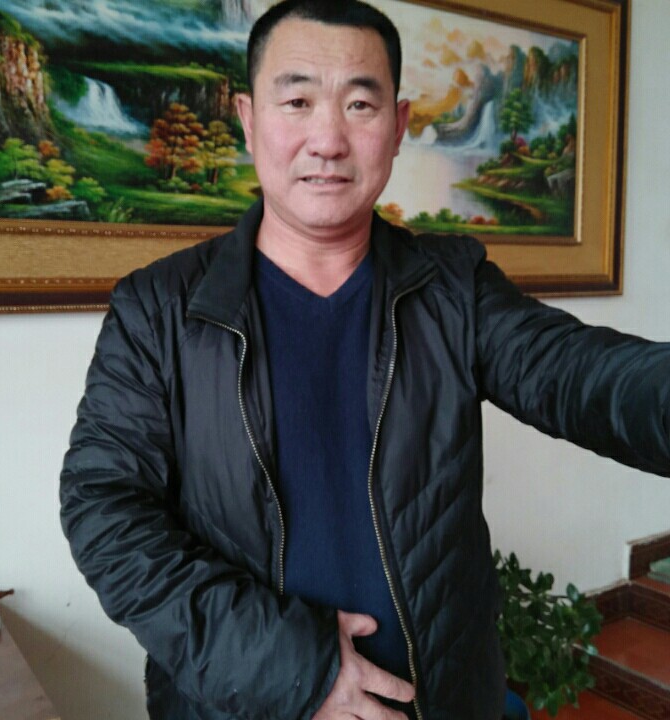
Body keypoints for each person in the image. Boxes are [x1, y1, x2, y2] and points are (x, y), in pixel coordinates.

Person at [59, 1, 670, 719]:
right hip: (240, 703)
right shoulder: (159, 310)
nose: (328, 140)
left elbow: (583, 376)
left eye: (359, 104)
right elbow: (105, 510)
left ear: (399, 126)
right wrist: (293, 670)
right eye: (297, 102)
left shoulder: (453, 289)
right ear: (249, 119)